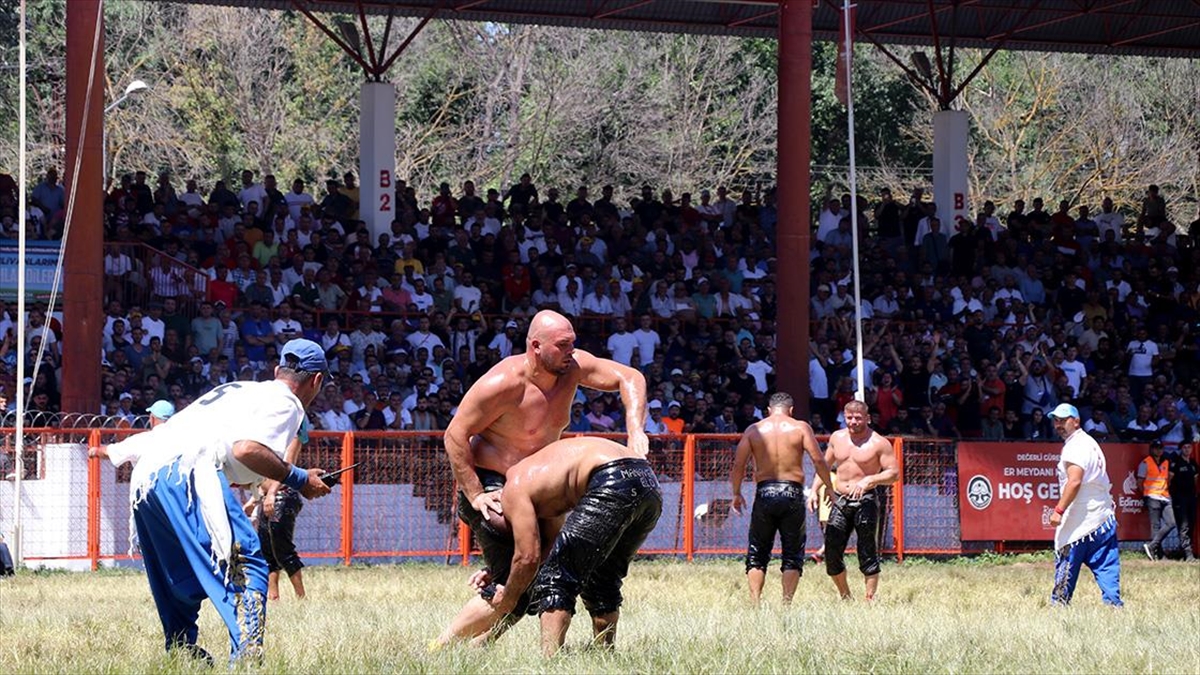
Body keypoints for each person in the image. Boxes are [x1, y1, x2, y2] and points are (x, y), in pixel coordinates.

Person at [90, 339, 332, 663]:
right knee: (247, 564)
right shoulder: (287, 401)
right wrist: (301, 479)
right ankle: (247, 658)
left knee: (176, 571)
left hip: (147, 478)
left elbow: (223, 449)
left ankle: (181, 651)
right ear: (316, 381)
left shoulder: (240, 389)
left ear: (277, 370)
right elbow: (246, 449)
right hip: (187, 471)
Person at [438, 309, 649, 645]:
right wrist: (476, 494)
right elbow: (454, 434)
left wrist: (635, 428)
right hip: (493, 485)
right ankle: (441, 647)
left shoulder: (573, 368)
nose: (571, 351)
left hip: (535, 489)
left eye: (573, 344)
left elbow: (631, 377)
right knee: (519, 572)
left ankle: (480, 639)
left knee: (540, 574)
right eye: (563, 345)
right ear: (536, 346)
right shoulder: (504, 382)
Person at [475, 436, 662, 657]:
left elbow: (527, 558)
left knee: (556, 577)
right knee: (603, 577)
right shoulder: (542, 476)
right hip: (647, 480)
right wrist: (500, 573)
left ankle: (551, 660)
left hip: (610, 478)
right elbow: (547, 550)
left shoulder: (512, 490)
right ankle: (605, 654)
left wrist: (507, 599)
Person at [729, 392, 833, 605]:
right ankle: (786, 604)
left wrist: (737, 493)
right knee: (792, 552)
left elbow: (738, 465)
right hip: (792, 491)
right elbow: (818, 460)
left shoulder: (754, 429)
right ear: (791, 410)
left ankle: (755, 601)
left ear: (768, 410)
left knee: (758, 550)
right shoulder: (800, 427)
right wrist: (829, 487)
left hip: (765, 491)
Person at [809, 400, 896, 600]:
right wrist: (814, 489)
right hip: (840, 499)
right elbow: (824, 465)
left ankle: (869, 598)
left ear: (867, 418)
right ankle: (845, 595)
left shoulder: (878, 442)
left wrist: (870, 479)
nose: (853, 422)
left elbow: (894, 473)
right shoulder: (837, 438)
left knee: (867, 549)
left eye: (858, 418)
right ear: (844, 417)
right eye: (849, 418)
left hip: (865, 500)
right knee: (831, 549)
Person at [1046, 404, 1122, 606]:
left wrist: (1059, 511)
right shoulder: (1090, 442)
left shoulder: (1075, 446)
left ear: (1076, 421)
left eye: (1063, 420)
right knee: (1107, 565)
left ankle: (1059, 605)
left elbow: (1074, 481)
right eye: (1056, 421)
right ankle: (1113, 604)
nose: (1059, 425)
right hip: (1103, 517)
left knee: (1066, 561)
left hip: (1079, 520)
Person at [256, 417, 312, 600]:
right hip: (268, 497)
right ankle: (273, 596)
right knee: (267, 550)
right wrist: (256, 499)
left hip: (282, 496)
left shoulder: (293, 437)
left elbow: (287, 468)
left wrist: (271, 492)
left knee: (283, 549)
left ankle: (301, 596)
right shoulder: (272, 440)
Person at [1138, 440, 1176, 561]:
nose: (1158, 450)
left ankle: (1151, 546)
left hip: (1165, 495)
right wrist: (1145, 495)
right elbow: (1140, 481)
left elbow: (1168, 478)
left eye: (1160, 448)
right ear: (1151, 449)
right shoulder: (1145, 463)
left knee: (1172, 523)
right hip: (1152, 496)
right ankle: (1158, 554)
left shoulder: (1166, 462)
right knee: (1156, 526)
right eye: (1156, 448)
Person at [1169, 442, 1198, 561]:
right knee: (1184, 525)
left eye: (1189, 447)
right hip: (1179, 497)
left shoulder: (1193, 463)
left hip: (1191, 497)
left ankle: (1183, 552)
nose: (1187, 449)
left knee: (1191, 524)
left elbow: (1195, 479)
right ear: (1181, 449)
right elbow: (1169, 479)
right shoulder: (1176, 463)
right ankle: (1188, 554)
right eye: (1184, 447)